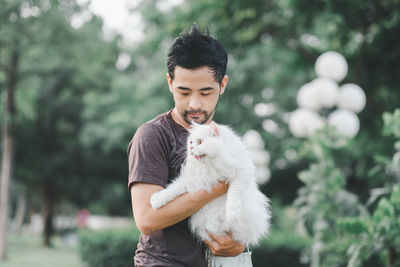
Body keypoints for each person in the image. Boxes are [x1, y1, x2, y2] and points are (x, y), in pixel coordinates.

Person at [128, 23, 245, 267]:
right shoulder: (152, 135)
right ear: (169, 82)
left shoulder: (224, 138)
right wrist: (223, 184)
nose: (194, 104)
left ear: (222, 85)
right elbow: (146, 219)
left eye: (205, 92)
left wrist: (238, 244)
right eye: (184, 92)